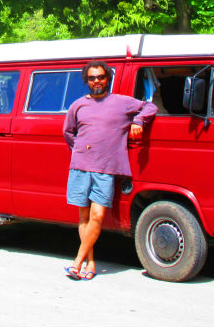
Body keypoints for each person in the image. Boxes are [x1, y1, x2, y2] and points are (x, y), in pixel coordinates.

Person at [62, 59, 157, 280]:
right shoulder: (77, 105)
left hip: (106, 169)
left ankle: (77, 261)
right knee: (83, 217)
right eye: (92, 77)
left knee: (97, 215)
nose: (97, 81)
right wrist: (79, 151)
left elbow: (150, 106)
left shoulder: (122, 102)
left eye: (101, 77)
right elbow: (68, 132)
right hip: (80, 166)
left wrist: (139, 121)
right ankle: (91, 262)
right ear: (87, 80)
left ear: (108, 79)